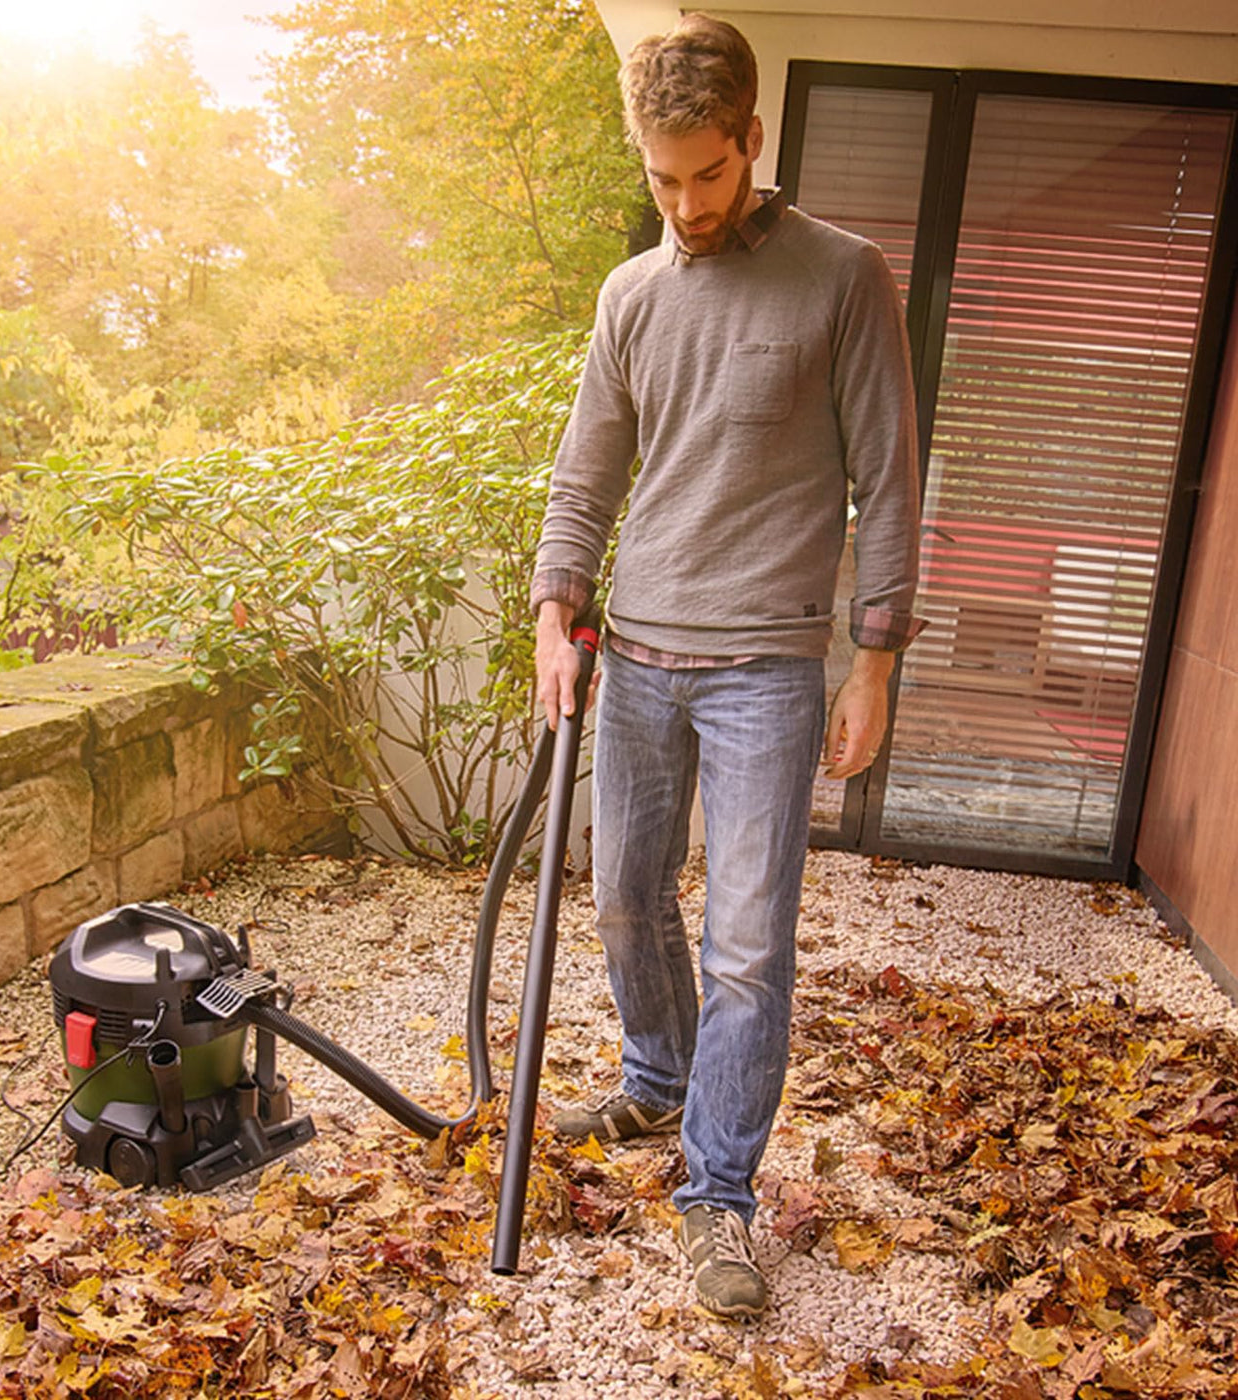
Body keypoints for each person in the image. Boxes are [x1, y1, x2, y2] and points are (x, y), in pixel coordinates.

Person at [530, 13, 924, 1319]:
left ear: (754, 140)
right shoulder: (630, 294)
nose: (685, 204)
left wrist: (872, 659)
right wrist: (553, 609)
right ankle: (656, 1079)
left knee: (748, 942)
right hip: (635, 653)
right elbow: (588, 471)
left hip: (765, 668)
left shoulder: (843, 277)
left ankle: (718, 1195)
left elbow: (888, 478)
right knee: (627, 898)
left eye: (707, 174)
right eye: (661, 178)